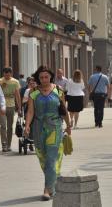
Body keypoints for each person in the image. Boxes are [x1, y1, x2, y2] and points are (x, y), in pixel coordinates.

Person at [24, 66, 71, 201]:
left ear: (50, 76)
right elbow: (31, 112)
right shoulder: (33, 92)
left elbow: (63, 110)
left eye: (46, 77)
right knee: (43, 159)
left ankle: (46, 189)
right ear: (38, 78)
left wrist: (68, 125)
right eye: (41, 77)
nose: (44, 80)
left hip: (55, 128)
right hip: (38, 129)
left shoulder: (58, 90)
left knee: (51, 158)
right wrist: (27, 125)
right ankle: (53, 183)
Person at [0, 67, 21, 152]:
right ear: (3, 73)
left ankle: (9, 144)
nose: (7, 74)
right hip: (1, 106)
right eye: (5, 73)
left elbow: (17, 95)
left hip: (11, 105)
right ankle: (4, 144)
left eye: (8, 73)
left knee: (10, 126)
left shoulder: (15, 82)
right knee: (3, 125)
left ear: (11, 73)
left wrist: (19, 108)